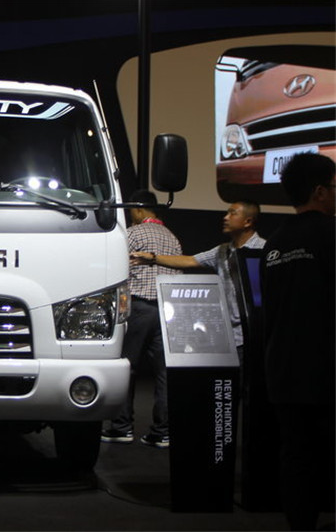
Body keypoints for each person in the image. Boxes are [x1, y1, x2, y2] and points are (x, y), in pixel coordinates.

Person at [262, 153, 335, 531]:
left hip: (284, 370)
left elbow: (270, 309)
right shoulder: (331, 234)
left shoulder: (274, 244)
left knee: (296, 456)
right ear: (320, 191)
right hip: (326, 368)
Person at [101, 190, 182, 448]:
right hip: (167, 309)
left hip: (138, 308)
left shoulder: (133, 234)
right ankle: (162, 431)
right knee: (164, 372)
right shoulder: (172, 238)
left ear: (137, 209)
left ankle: (121, 427)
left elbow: (116, 268)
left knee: (127, 367)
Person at [130, 200, 265, 353]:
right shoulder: (223, 251)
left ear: (248, 221)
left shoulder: (263, 249)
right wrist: (153, 258)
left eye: (232, 213)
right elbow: (190, 260)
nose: (226, 217)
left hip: (255, 334)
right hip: (230, 336)